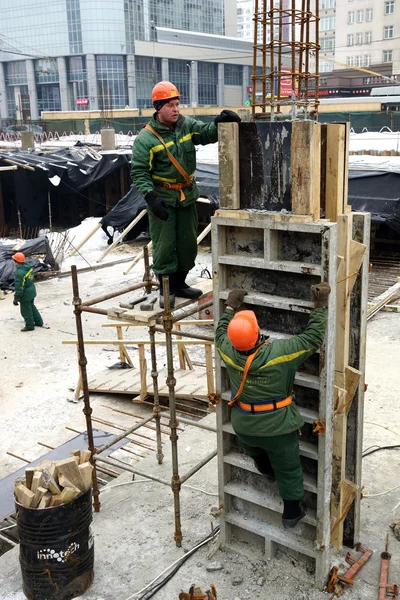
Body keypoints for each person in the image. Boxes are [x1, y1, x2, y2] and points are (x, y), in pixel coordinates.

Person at [215, 282, 331, 529]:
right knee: (288, 469)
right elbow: (313, 337)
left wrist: (229, 306)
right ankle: (291, 513)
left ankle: (266, 471)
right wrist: (320, 306)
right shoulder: (280, 352)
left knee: (257, 453)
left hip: (244, 425)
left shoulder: (226, 349)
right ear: (258, 334)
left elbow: (219, 332)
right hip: (277, 427)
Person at [131, 80, 241, 307]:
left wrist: (220, 123)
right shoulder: (146, 139)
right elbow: (139, 172)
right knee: (164, 245)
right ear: (158, 107)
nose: (176, 109)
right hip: (164, 198)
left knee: (187, 243)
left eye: (177, 103)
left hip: (186, 195)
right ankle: (166, 288)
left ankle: (179, 283)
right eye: (170, 105)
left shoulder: (185, 125)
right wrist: (151, 197)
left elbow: (205, 133)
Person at [12, 252, 44, 332]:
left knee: (26, 311)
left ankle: (29, 326)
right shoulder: (28, 267)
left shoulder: (19, 273)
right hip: (32, 291)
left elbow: (19, 288)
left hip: (25, 295)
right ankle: (39, 322)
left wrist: (16, 298)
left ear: (16, 261)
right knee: (32, 307)